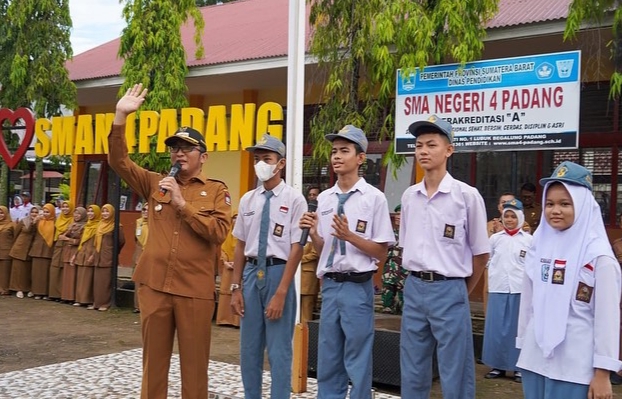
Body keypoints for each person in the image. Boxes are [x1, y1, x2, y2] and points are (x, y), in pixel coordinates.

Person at [108, 83, 231, 399]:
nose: (178, 153)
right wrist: (121, 116)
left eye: (186, 148)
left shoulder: (217, 190)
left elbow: (218, 232)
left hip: (194, 291)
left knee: (194, 368)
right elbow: (119, 161)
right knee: (154, 366)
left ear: (202, 157)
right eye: (174, 147)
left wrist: (181, 204)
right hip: (155, 286)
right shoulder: (154, 182)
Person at [299, 125, 395, 399]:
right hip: (330, 286)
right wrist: (316, 234)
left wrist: (350, 236)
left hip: (357, 287)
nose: (337, 157)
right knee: (329, 355)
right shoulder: (325, 199)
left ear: (361, 158)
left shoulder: (373, 198)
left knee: (358, 355)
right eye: (334, 151)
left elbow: (380, 251)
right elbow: (323, 249)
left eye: (344, 151)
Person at [399, 115, 490, 399]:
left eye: (431, 145)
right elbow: (405, 245)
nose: (423, 151)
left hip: (450, 288)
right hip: (414, 288)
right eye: (418, 145)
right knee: (412, 367)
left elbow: (481, 253)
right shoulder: (409, 196)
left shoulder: (466, 196)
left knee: (456, 370)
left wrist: (461, 290)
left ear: (449, 150)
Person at [516, 161, 622, 398]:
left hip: (575, 365)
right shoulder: (538, 247)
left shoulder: (598, 257)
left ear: (583, 206)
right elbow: (528, 301)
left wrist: (603, 371)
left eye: (565, 204)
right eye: (550, 204)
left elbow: (607, 318)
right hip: (535, 358)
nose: (555, 210)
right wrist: (523, 342)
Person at [229, 134, 305, 399]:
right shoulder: (248, 199)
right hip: (250, 274)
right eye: (258, 159)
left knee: (279, 350)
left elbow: (297, 247)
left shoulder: (295, 200)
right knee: (249, 350)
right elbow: (240, 245)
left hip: (278, 273)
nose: (261, 164)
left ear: (280, 163)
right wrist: (235, 287)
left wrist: (282, 292)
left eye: (267, 159)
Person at [482, 199, 532, 383]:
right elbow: (487, 260)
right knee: (496, 328)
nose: (510, 220)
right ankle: (497, 366)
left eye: (513, 216)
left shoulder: (529, 240)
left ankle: (519, 368)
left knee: (518, 330)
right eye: (507, 216)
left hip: (520, 290)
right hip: (499, 288)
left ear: (520, 217)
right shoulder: (495, 239)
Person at [92, 204, 125, 311]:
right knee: (97, 281)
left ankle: (105, 303)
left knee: (106, 282)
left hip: (108, 257)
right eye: (103, 211)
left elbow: (121, 241)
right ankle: (96, 303)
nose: (105, 214)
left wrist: (113, 252)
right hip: (98, 256)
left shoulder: (116, 226)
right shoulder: (100, 224)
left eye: (107, 212)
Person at [381, 204, 407, 315]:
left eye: (401, 214)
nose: (397, 216)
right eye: (396, 213)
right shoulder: (390, 234)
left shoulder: (410, 235)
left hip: (404, 273)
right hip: (389, 272)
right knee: (387, 303)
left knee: (405, 305)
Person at [300, 186, 321, 324]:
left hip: (308, 273)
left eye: (315, 195)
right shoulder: (304, 214)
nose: (312, 197)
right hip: (297, 275)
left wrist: (299, 259)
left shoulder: (319, 219)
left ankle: (305, 336)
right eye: (310, 194)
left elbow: (315, 252)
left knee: (306, 310)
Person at [73, 205, 100, 308]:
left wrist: (93, 255)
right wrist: (76, 254)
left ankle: (87, 300)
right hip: (82, 253)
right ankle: (79, 299)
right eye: (88, 211)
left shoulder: (98, 226)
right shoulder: (87, 225)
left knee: (88, 279)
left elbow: (98, 243)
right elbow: (81, 242)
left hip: (90, 254)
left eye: (92, 212)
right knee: (80, 278)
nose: (90, 213)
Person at [216, 211, 239, 327]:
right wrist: (225, 262)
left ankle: (236, 321)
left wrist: (239, 262)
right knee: (226, 292)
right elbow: (223, 250)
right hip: (228, 268)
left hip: (240, 268)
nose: (235, 220)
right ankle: (224, 319)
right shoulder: (227, 234)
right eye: (234, 218)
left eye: (238, 218)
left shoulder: (243, 235)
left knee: (237, 292)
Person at [59, 207, 87, 304]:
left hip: (76, 252)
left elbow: (80, 241)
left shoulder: (85, 226)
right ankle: (65, 296)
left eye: (78, 214)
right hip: (68, 251)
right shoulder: (72, 225)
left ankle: (72, 297)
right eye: (75, 213)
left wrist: (67, 239)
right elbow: (63, 235)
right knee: (67, 275)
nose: (76, 216)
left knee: (73, 275)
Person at [9, 207, 38, 298]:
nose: (34, 214)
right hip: (20, 247)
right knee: (18, 270)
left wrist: (37, 222)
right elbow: (16, 233)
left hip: (31, 249)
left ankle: (28, 288)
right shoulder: (24, 221)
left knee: (27, 270)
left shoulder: (41, 222)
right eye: (32, 212)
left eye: (36, 212)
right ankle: (18, 289)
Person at [28, 203, 56, 300]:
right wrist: (34, 222)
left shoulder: (55, 222)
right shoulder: (39, 221)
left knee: (45, 273)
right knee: (36, 272)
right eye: (44, 212)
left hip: (48, 250)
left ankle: (44, 293)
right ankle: (36, 292)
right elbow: (30, 231)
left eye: (48, 212)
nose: (45, 214)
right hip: (37, 249)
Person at [49, 200, 74, 301]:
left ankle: (62, 295)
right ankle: (53, 294)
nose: (65, 209)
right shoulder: (58, 219)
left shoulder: (73, 220)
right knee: (54, 268)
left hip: (67, 246)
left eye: (67, 207)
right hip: (58, 245)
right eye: (63, 207)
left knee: (64, 270)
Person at [132, 204, 149, 313]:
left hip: (150, 253)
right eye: (144, 209)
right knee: (138, 280)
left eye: (148, 210)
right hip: (139, 253)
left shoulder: (156, 224)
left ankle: (147, 306)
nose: (145, 212)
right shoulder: (139, 222)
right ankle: (137, 306)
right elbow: (136, 239)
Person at [0, 206, 16, 295]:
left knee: (5, 271)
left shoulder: (11, 224)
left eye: (2, 213)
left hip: (6, 251)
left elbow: (16, 236)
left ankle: (5, 289)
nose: (0, 215)